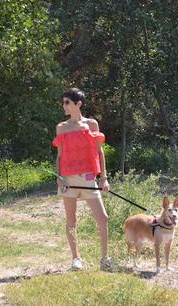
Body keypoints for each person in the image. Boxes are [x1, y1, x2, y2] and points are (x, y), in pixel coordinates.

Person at [52, 88, 113, 272]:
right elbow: (59, 156)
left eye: (67, 103)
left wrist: (104, 178)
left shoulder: (91, 124)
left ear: (78, 104)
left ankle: (105, 259)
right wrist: (59, 179)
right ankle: (76, 259)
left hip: (88, 178)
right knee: (71, 220)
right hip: (68, 179)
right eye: (63, 103)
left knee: (103, 219)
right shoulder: (61, 127)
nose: (64, 106)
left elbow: (99, 152)